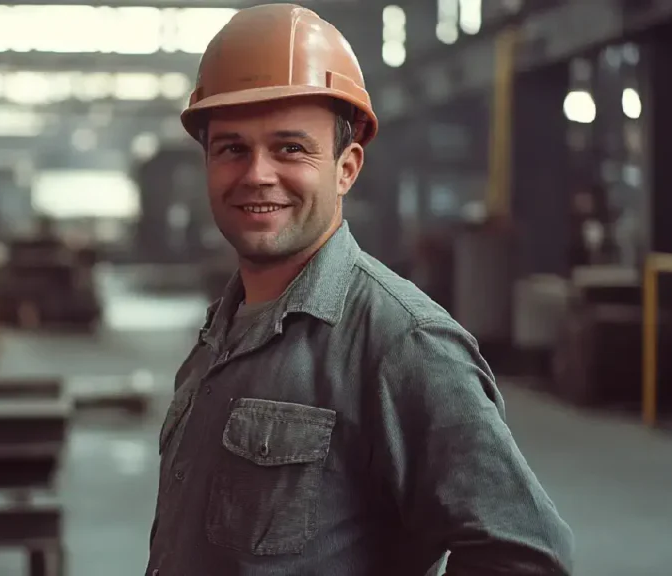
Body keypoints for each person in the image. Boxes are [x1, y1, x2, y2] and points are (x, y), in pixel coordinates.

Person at [146, 4, 574, 575]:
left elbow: (528, 557)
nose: (256, 174)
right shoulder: (219, 335)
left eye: (290, 148)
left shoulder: (402, 344)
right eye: (232, 148)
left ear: (346, 168)